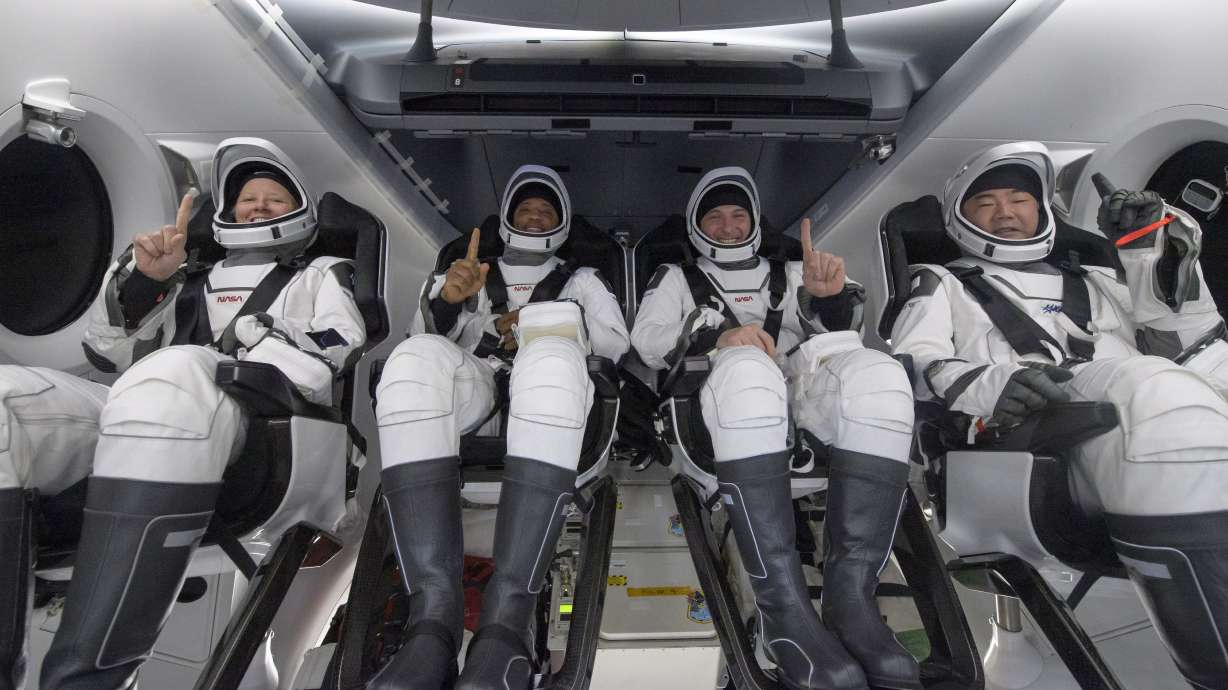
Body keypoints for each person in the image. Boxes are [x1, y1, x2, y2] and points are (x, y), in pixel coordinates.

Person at [0, 137, 365, 690]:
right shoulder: (184, 275)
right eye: (248, 198)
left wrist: (257, 336)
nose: (259, 206)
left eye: (273, 197)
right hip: (137, 404)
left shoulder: (320, 275)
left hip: (258, 427)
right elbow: (108, 354)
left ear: (301, 212)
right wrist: (147, 281)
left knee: (169, 377)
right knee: (8, 396)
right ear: (226, 213)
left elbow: (328, 359)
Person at [890, 140, 1228, 688]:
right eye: (986, 204)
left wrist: (1147, 253)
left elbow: (1190, 346)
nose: (1005, 212)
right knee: (1159, 394)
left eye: (1019, 199)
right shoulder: (943, 283)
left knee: (1176, 387)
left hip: (1137, 412)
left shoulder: (1099, 278)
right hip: (1032, 435)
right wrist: (994, 385)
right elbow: (915, 365)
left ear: (1042, 208)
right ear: (959, 218)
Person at [630, 167, 920, 690]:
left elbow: (836, 336)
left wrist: (828, 299)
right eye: (714, 217)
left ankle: (851, 601)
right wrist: (717, 333)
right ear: (697, 226)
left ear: (754, 222)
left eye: (738, 215)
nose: (728, 226)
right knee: (747, 368)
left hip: (801, 400)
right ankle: (781, 615)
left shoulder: (792, 271)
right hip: (718, 403)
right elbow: (648, 340)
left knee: (880, 372)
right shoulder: (675, 277)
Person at [371, 165, 629, 690]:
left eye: (546, 211)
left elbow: (615, 345)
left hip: (553, 394)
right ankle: (431, 623)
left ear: (562, 223)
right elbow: (420, 336)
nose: (535, 217)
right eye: (525, 210)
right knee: (414, 358)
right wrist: (448, 299)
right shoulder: (468, 270)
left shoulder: (582, 280)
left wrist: (553, 321)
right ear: (507, 219)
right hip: (480, 391)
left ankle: (506, 632)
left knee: (553, 356)